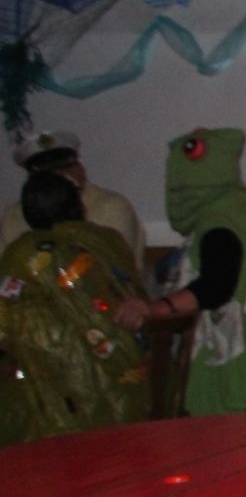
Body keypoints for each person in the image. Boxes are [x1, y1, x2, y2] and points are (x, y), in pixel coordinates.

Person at [116, 128, 246, 415]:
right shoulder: (245, 216)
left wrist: (154, 309)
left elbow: (215, 287)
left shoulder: (220, 227)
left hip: (220, 365)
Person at [0, 172, 149, 445]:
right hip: (127, 374)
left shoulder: (23, 253)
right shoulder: (107, 240)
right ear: (78, 206)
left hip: (58, 386)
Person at [3, 129, 146, 265]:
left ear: (81, 169)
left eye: (66, 169)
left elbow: (111, 269)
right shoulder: (13, 216)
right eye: (49, 173)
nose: (60, 177)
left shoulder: (112, 208)